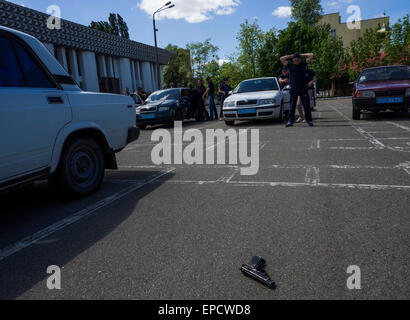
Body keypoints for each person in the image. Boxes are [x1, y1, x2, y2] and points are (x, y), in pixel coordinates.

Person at [280, 52, 314, 127]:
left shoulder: (303, 64)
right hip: (294, 89)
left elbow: (311, 55)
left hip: (303, 88)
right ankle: (290, 122)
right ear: (293, 60)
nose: (296, 61)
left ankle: (309, 121)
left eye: (298, 59)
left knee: (306, 106)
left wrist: (300, 55)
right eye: (295, 59)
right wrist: (292, 55)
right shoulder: (290, 65)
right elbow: (281, 58)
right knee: (292, 106)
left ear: (300, 59)